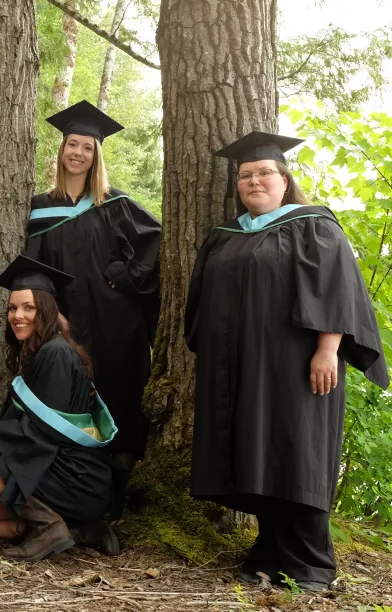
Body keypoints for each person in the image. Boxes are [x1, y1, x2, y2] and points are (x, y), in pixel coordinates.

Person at [187, 132, 388, 591]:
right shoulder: (228, 235)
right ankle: (271, 548)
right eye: (245, 175)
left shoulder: (313, 225)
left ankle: (311, 562)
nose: (254, 180)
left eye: (263, 173)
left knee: (297, 452)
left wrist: (327, 349)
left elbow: (334, 288)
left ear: (284, 179)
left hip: (300, 365)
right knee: (258, 453)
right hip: (247, 368)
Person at [25, 100, 160, 515]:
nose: (78, 152)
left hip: (119, 323)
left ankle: (115, 498)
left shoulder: (114, 203)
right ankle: (75, 494)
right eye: (71, 144)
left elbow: (153, 241)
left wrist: (126, 273)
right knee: (77, 396)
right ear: (61, 150)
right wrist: (52, 313)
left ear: (96, 154)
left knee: (120, 394)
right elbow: (35, 267)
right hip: (70, 322)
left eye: (86, 146)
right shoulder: (40, 207)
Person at [0, 256, 116, 562]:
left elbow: (44, 430)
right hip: (56, 475)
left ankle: (47, 524)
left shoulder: (56, 354)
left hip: (74, 477)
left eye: (28, 308)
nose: (17, 315)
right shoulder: (41, 352)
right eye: (13, 308)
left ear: (45, 311)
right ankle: (77, 530)